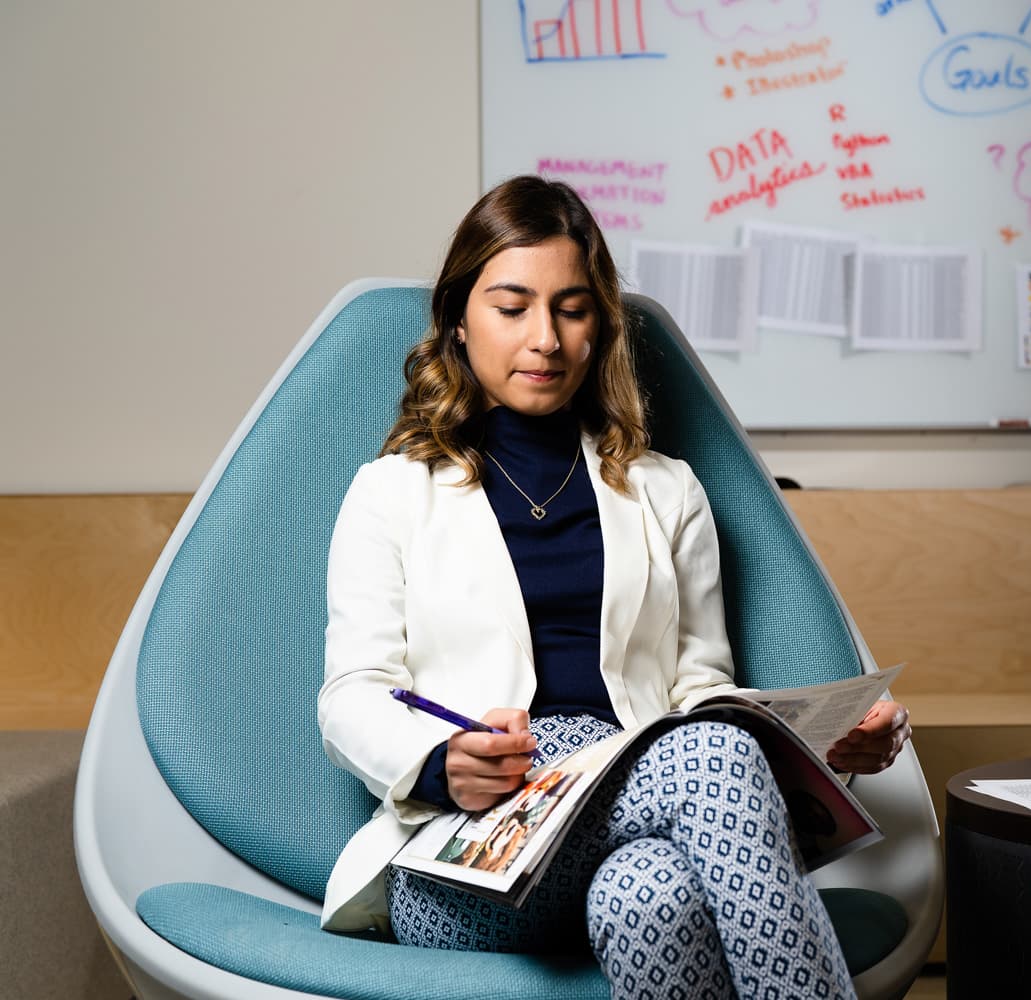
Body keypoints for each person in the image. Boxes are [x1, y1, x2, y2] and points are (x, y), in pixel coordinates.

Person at [316, 175, 911, 998]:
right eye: (511, 306)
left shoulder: (667, 491)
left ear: (600, 324)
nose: (545, 339)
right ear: (459, 320)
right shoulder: (390, 492)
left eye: (571, 307)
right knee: (712, 756)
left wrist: (819, 751)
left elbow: (698, 692)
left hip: (629, 820)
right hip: (468, 857)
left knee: (654, 898)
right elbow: (351, 695)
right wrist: (438, 765)